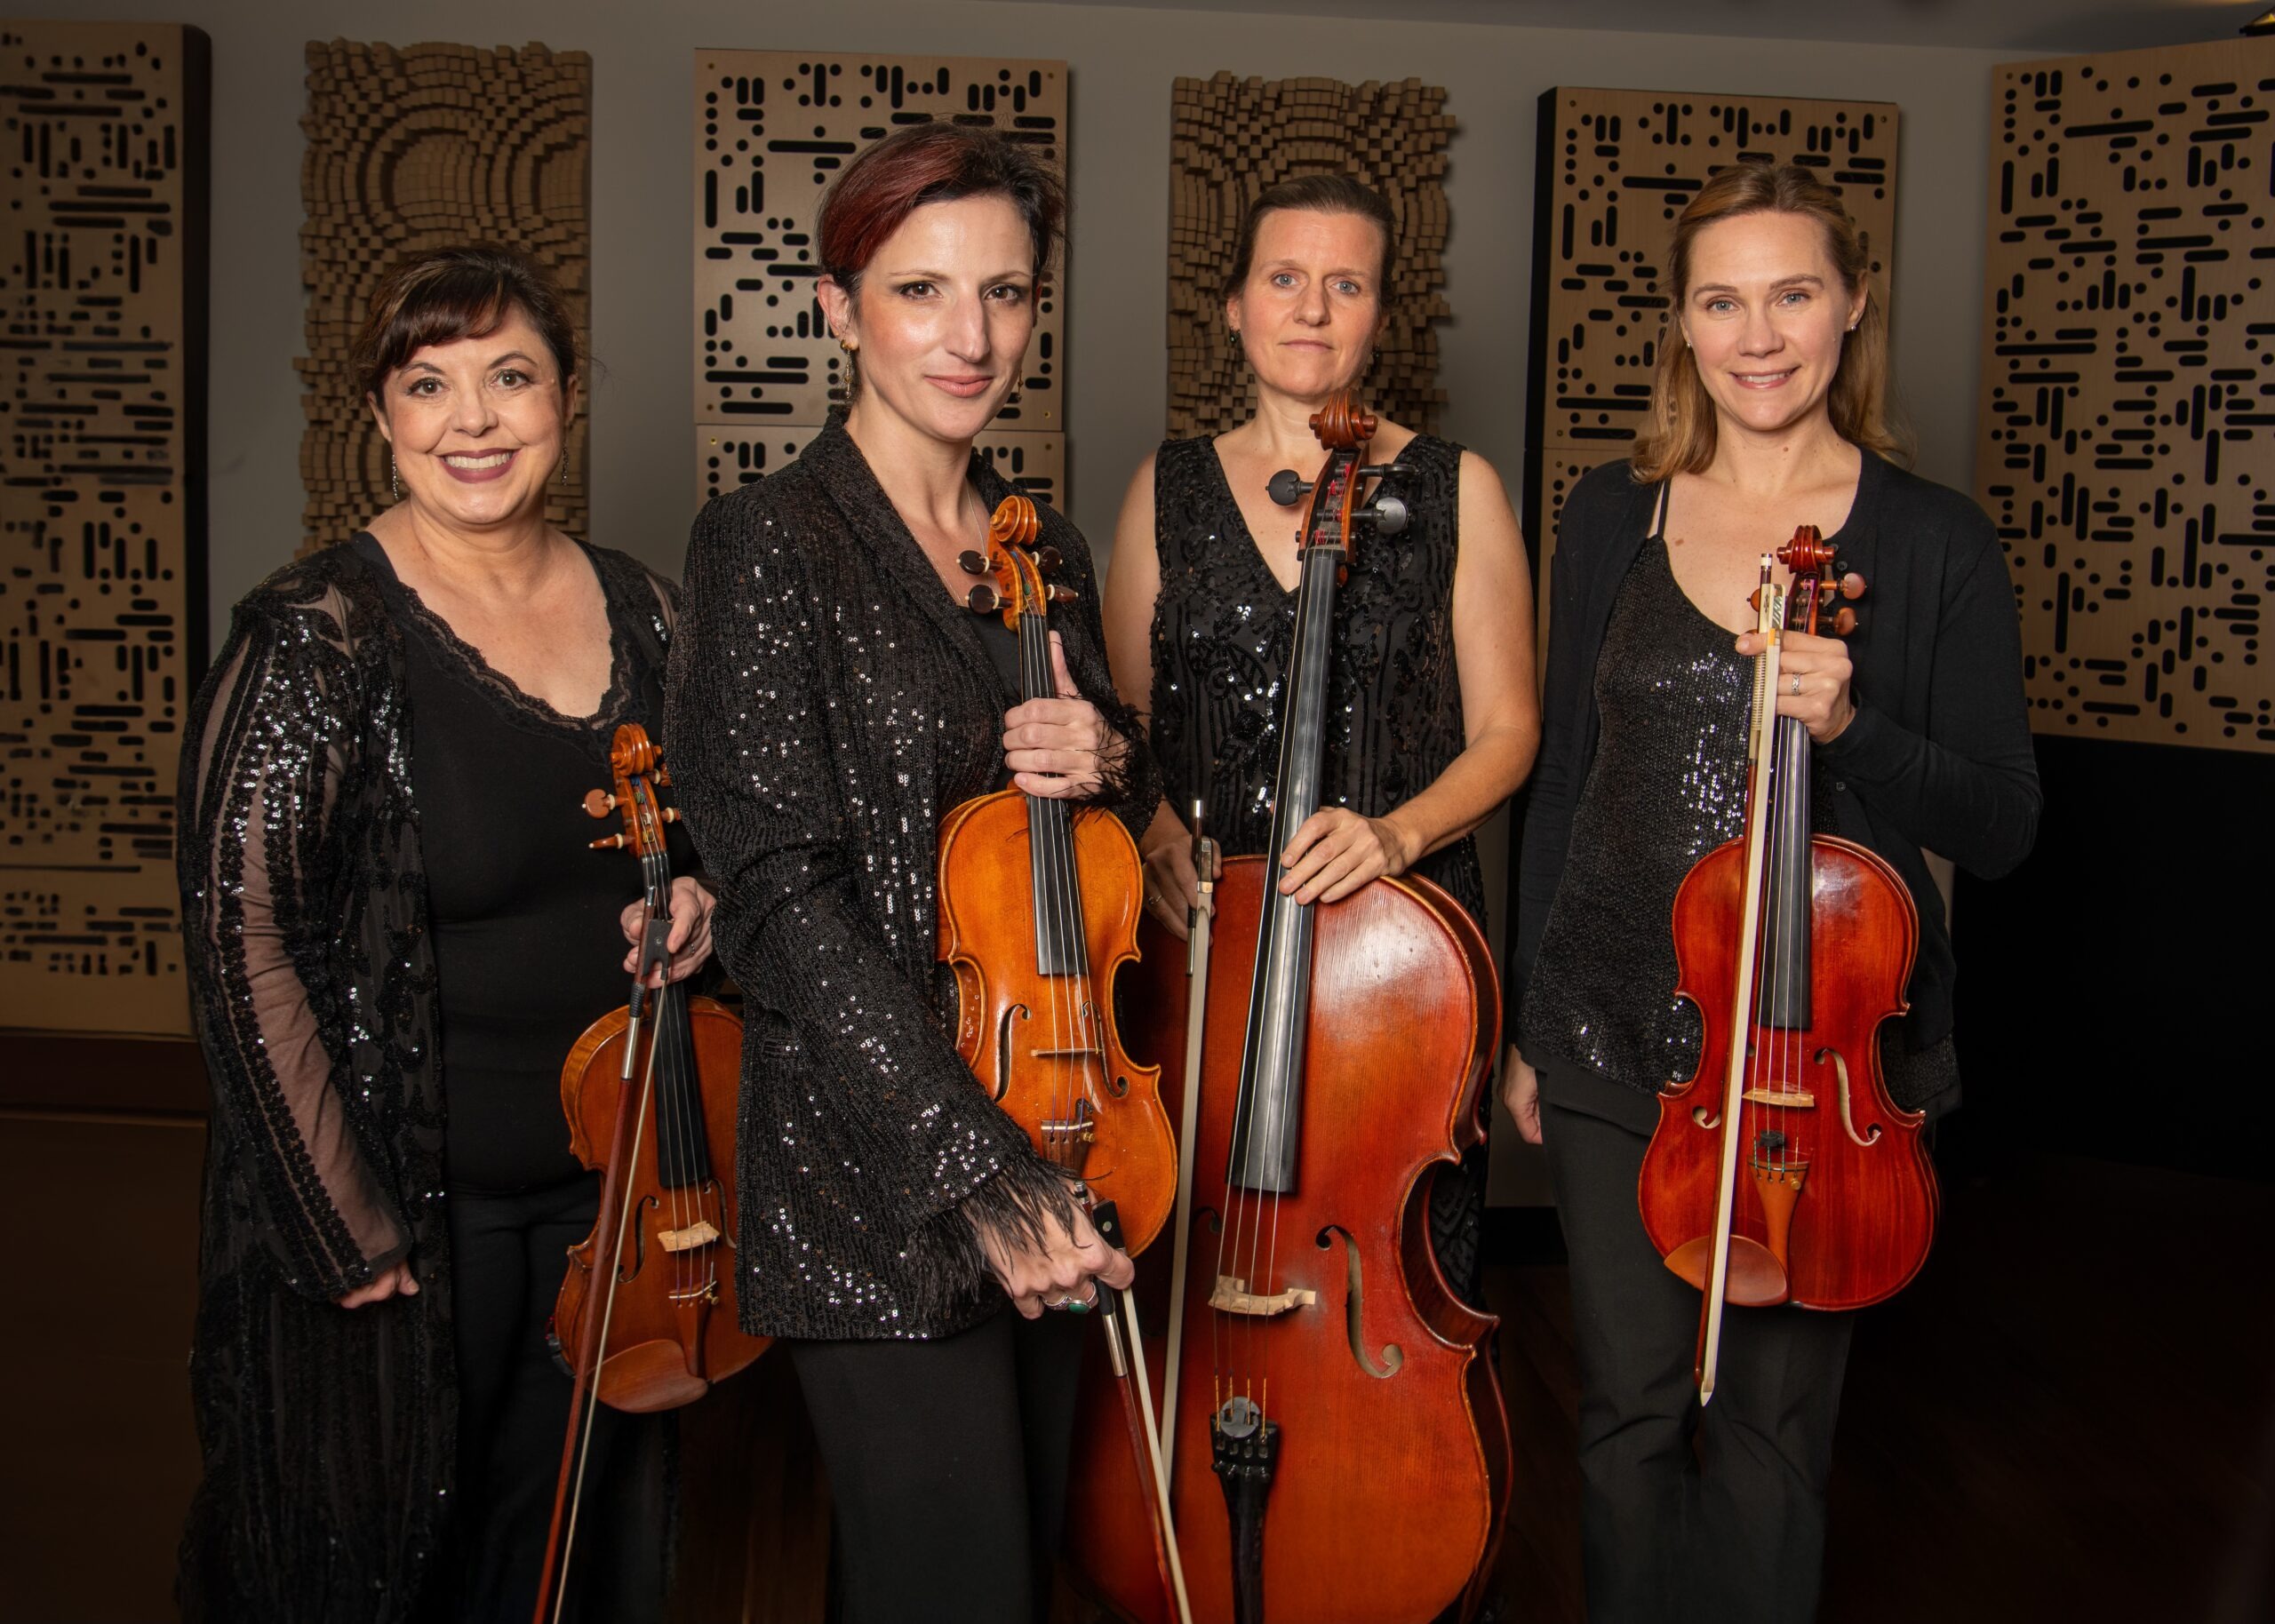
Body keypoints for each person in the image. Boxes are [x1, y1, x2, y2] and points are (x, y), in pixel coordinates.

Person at [1503, 163, 2041, 1623]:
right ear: (1680, 321)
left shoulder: (1932, 543)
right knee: (1622, 1408)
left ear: (1853, 305)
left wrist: (1858, 725)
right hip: (1619, 1031)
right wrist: (1531, 1024)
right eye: (1723, 298)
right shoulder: (1611, 512)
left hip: (1821, 1064)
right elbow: (1564, 780)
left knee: (1769, 1431)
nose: (1759, 333)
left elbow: (2000, 825)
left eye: (1793, 292)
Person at [662, 124, 1153, 1624]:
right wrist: (975, 1171)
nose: (969, 335)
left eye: (1004, 293)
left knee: (1014, 1570)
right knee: (951, 1584)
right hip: (880, 1170)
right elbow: (776, 895)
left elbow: (1073, 823)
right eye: (922, 290)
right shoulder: (766, 542)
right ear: (836, 305)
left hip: (1056, 1125)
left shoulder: (1043, 545)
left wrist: (1109, 749)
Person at [177, 246, 709, 1623]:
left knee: (565, 1562)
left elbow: (704, 846)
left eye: (509, 378)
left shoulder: (649, 611)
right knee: (382, 1561)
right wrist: (340, 1223)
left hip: (615, 1207)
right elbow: (241, 938)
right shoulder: (317, 638)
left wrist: (697, 895)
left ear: (566, 398)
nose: (473, 421)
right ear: (383, 415)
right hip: (410, 1212)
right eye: (431, 385)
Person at [1101, 174, 1538, 1297]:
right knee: (1183, 1239)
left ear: (1379, 317)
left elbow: (1507, 730)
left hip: (1399, 961)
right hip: (1205, 940)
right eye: (1283, 279)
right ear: (1235, 306)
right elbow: (1125, 725)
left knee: (1393, 1241)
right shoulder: (1168, 486)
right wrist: (1151, 828)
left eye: (1344, 284)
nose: (1310, 308)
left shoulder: (1457, 489)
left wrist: (1396, 837)